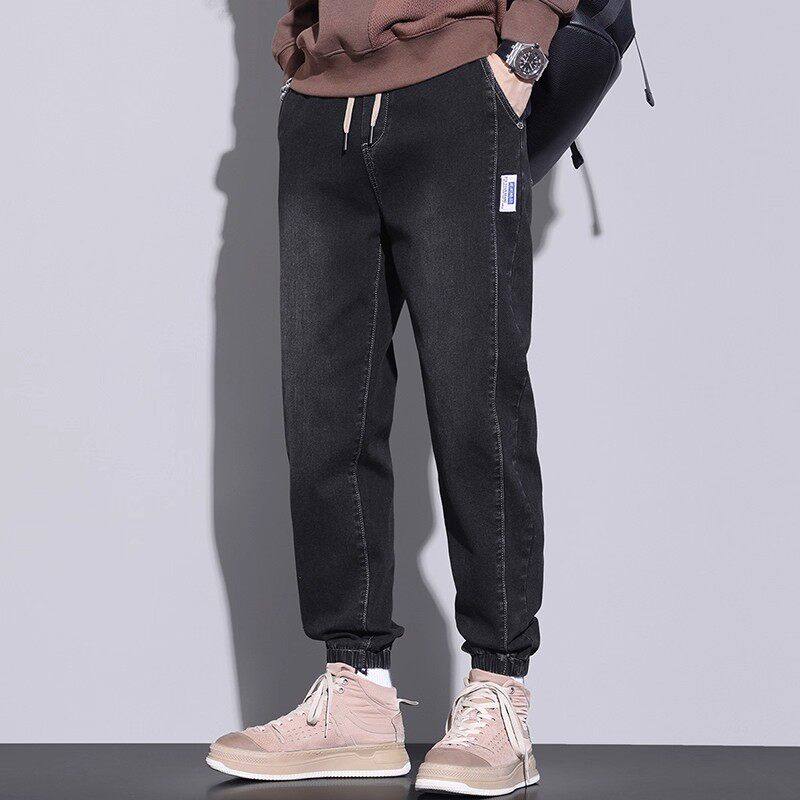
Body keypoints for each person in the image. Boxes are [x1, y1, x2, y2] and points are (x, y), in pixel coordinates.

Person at [208, 1, 577, 795]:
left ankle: (500, 692)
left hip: (459, 87)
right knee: (324, 418)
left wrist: (524, 52)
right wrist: (300, 46)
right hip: (321, 110)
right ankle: (357, 694)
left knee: (478, 406)